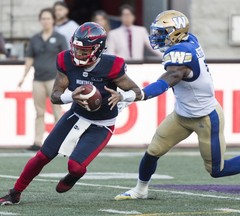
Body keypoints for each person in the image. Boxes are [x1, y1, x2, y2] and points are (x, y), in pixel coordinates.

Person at [105, 10, 240, 200]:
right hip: (181, 115)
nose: (157, 36)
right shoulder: (188, 40)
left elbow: (168, 80)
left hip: (206, 117)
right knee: (153, 151)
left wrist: (138, 94)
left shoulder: (181, 55)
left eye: (162, 32)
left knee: (217, 170)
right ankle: (140, 190)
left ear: (175, 32)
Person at [0, 22, 142, 205]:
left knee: (75, 167)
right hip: (77, 114)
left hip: (102, 123)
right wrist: (71, 97)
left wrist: (122, 95)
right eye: (75, 48)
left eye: (84, 51)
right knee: (43, 155)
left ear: (98, 49)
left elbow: (137, 91)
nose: (77, 54)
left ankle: (71, 177)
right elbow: (55, 96)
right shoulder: (65, 60)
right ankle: (15, 192)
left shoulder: (112, 65)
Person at [18, 8, 67, 151]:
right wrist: (23, 76)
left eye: (48, 18)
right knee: (39, 112)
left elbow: (65, 58)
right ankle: (37, 141)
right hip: (38, 79)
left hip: (54, 79)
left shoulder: (59, 38)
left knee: (57, 110)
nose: (45, 21)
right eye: (43, 18)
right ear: (40, 21)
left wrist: (66, 76)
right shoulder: (35, 39)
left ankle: (59, 141)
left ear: (53, 20)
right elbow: (29, 59)